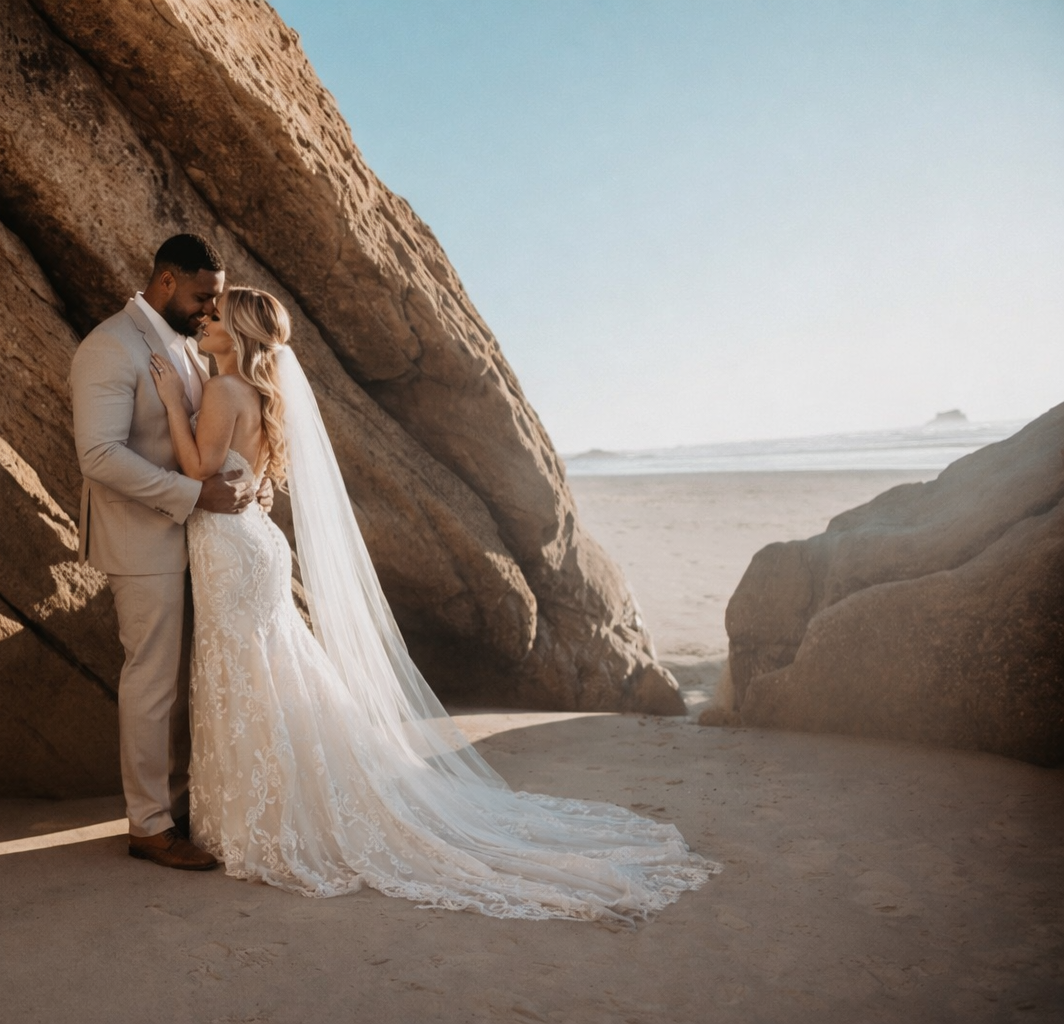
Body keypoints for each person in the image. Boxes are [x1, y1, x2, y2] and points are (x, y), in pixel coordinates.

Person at [148, 285, 720, 923]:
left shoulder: (225, 392)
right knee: (265, 673)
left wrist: (174, 400)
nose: (206, 319)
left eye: (217, 316)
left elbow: (199, 468)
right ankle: (274, 805)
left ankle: (261, 818)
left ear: (241, 333)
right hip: (249, 544)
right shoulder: (247, 390)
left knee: (247, 673)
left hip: (233, 549)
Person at [70, 233, 264, 870]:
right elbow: (99, 455)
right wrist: (193, 495)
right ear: (166, 282)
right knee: (152, 682)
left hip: (194, 540)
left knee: (189, 681)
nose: (212, 310)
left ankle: (179, 805)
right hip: (140, 539)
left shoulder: (186, 346)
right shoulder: (109, 346)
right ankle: (149, 826)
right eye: (204, 295)